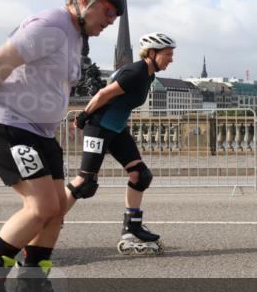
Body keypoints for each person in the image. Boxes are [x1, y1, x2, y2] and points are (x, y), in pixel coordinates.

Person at [0, 0, 122, 292]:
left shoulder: (74, 37)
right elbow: (0, 61)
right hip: (8, 124)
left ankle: (32, 282)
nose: (111, 21)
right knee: (40, 207)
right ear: (83, 1)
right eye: (109, 11)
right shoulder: (51, 24)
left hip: (39, 132)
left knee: (56, 209)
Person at [65, 32, 176, 255]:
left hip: (116, 128)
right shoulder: (135, 72)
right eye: (167, 54)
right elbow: (103, 94)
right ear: (152, 53)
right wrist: (84, 115)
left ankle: (131, 229)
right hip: (99, 127)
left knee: (140, 175)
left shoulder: (149, 75)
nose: (171, 59)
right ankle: (45, 218)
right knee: (85, 182)